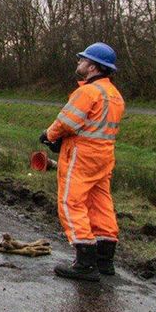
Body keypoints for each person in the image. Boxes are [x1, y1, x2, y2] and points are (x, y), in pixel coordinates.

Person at [39, 42, 125, 282]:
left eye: (82, 60)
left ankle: (85, 262)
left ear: (93, 67)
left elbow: (67, 122)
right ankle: (104, 260)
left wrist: (48, 136)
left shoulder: (87, 92)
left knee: (71, 202)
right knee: (101, 204)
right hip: (104, 155)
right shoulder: (115, 95)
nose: (79, 62)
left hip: (81, 155)